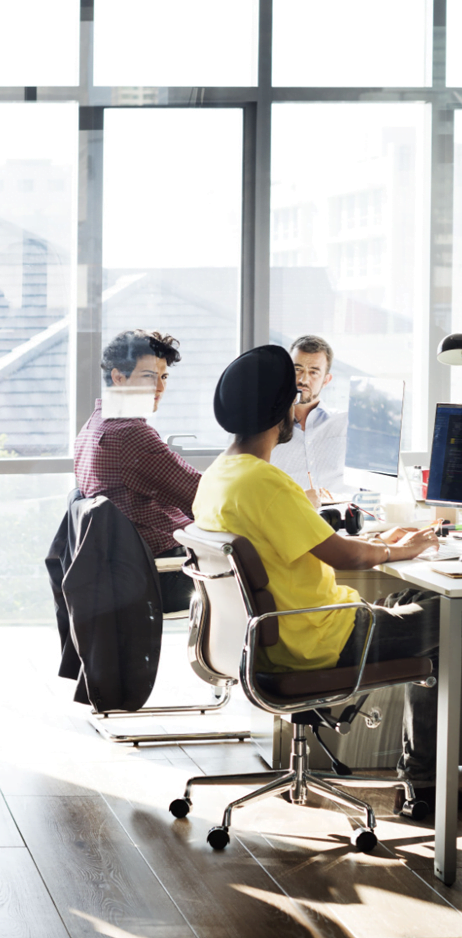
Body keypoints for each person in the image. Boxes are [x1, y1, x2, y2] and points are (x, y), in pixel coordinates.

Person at [193, 344, 441, 804]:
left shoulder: (219, 476)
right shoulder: (265, 482)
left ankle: (424, 782)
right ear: (282, 410)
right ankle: (424, 787)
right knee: (451, 620)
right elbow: (344, 555)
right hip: (318, 640)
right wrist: (399, 547)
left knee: (420, 608)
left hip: (275, 638)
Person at [73, 329, 200, 613]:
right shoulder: (130, 434)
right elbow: (201, 494)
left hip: (125, 570)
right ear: (118, 377)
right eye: (148, 376)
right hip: (163, 574)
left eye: (164, 376)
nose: (160, 388)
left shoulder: (94, 426)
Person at [269, 334, 348, 507]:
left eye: (313, 372)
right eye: (297, 370)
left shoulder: (346, 424)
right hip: (287, 518)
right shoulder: (266, 428)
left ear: (326, 380)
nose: (304, 380)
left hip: (342, 519)